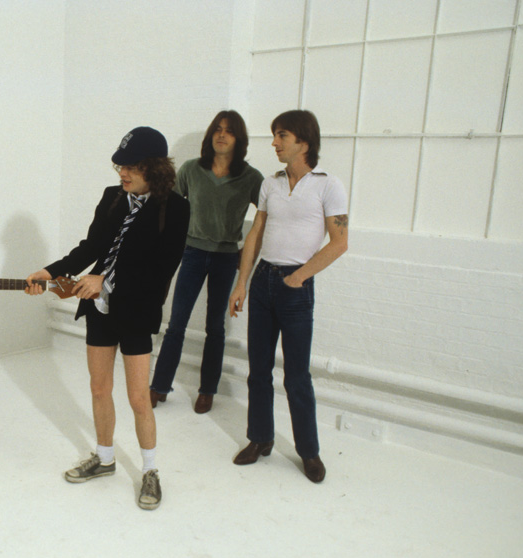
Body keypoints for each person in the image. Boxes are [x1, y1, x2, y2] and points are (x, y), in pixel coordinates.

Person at [25, 127, 189, 510]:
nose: (122, 174)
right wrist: (49, 273)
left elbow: (161, 269)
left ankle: (149, 471)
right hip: (99, 309)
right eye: (120, 166)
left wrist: (107, 281)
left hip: (135, 310)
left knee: (137, 398)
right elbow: (92, 247)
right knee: (99, 389)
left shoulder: (175, 208)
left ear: (154, 168)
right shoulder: (113, 198)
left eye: (131, 167)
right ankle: (104, 458)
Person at [228, 110, 348, 483]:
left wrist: (299, 277)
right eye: (274, 135)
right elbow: (256, 234)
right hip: (263, 281)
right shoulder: (271, 183)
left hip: (295, 287)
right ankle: (260, 439)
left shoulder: (328, 186)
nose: (275, 143)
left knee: (297, 376)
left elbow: (340, 242)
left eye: (281, 135)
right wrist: (242, 281)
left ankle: (308, 452)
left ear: (304, 142)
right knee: (258, 370)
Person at [149, 111, 264, 414]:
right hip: (193, 254)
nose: (221, 135)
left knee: (216, 327)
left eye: (229, 131)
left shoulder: (251, 178)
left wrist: (247, 253)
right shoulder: (191, 170)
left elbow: (266, 218)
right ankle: (159, 386)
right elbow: (170, 209)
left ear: (239, 140)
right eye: (217, 130)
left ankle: (207, 390)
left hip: (227, 258)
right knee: (176, 324)